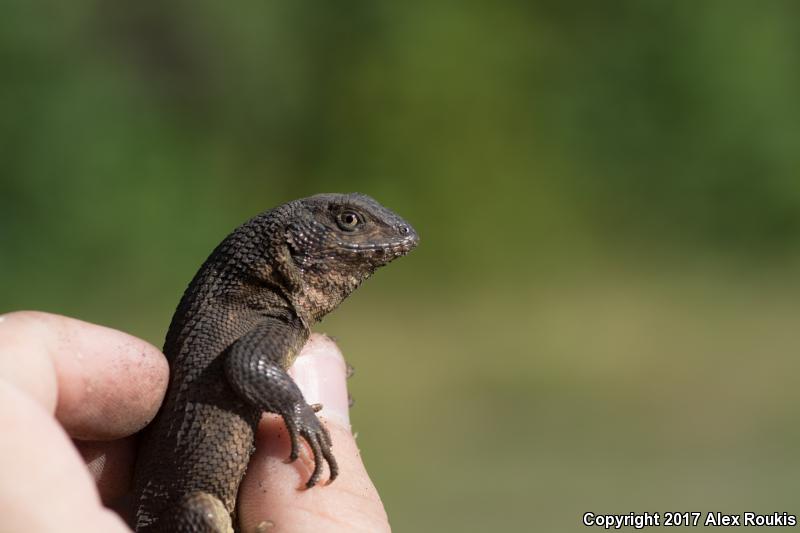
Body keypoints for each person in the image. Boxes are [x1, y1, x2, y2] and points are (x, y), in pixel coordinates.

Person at [0, 311, 390, 533]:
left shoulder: (267, 313)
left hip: (183, 499)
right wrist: (298, 406)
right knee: (205, 516)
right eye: (348, 223)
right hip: (191, 513)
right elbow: (249, 365)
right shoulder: (269, 312)